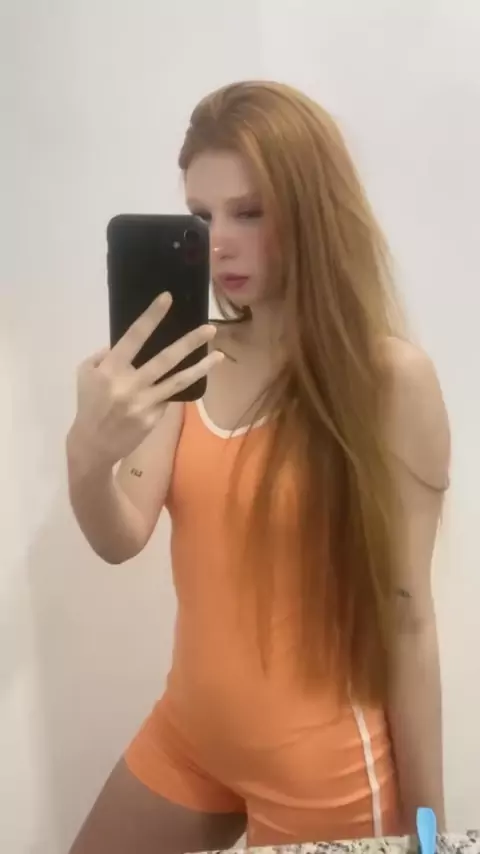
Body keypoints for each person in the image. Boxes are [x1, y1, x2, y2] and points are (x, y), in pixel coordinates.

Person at [66, 81, 450, 854]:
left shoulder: (389, 382)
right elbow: (120, 536)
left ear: (313, 210)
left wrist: (431, 833)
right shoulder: (191, 357)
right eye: (201, 217)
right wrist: (87, 457)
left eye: (249, 212)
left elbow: (409, 620)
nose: (219, 244)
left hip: (323, 771)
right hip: (190, 735)